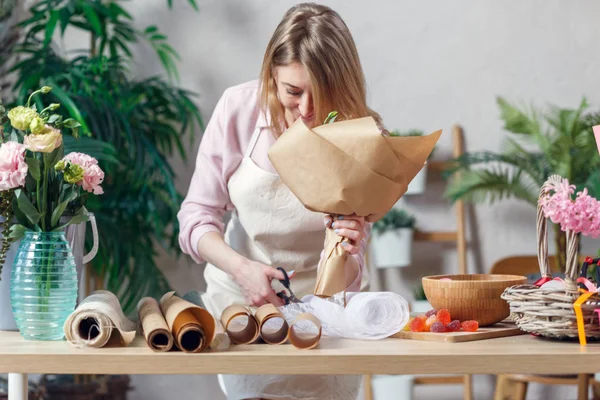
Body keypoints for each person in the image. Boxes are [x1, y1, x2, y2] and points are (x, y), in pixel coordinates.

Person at [178, 3, 383, 399]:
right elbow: (196, 217)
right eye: (292, 91)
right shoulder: (237, 110)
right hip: (244, 305)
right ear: (271, 74)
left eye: (320, 94)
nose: (305, 110)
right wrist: (241, 269)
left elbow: (352, 272)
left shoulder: (361, 134)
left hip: (326, 313)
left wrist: (351, 249)